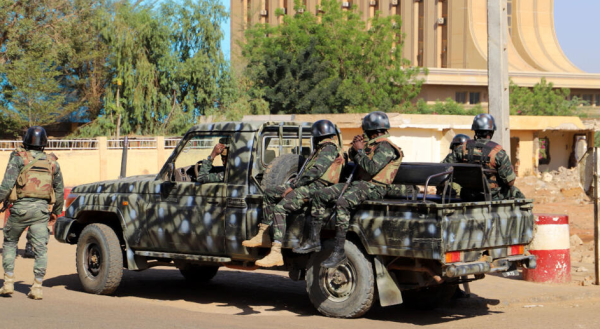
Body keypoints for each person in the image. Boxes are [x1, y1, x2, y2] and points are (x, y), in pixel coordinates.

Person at [243, 120, 345, 267]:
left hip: (317, 186)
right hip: (309, 184)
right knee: (270, 193)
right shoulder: (322, 148)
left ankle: (276, 252)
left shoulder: (329, 148)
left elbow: (316, 171)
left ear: (317, 135)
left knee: (280, 208)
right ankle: (263, 234)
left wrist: (294, 185)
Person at [308, 111, 403, 268]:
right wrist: (355, 148)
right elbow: (356, 160)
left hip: (375, 187)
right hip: (359, 184)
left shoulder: (386, 146)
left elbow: (371, 168)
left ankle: (339, 252)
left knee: (342, 203)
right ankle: (314, 241)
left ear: (370, 129)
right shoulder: (372, 145)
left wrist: (360, 150)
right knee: (320, 195)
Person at [0, 126, 64, 300]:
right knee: (41, 249)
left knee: (10, 242)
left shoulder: (18, 158)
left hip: (20, 209)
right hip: (41, 212)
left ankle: (8, 283)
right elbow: (59, 191)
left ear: (26, 140)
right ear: (44, 142)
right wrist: (56, 212)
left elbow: (6, 185)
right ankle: (37, 287)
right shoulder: (52, 162)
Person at [443, 114, 524, 200]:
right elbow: (510, 182)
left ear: (475, 130)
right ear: (491, 131)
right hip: (492, 196)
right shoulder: (498, 152)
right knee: (518, 195)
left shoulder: (462, 149)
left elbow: (444, 167)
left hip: (467, 194)